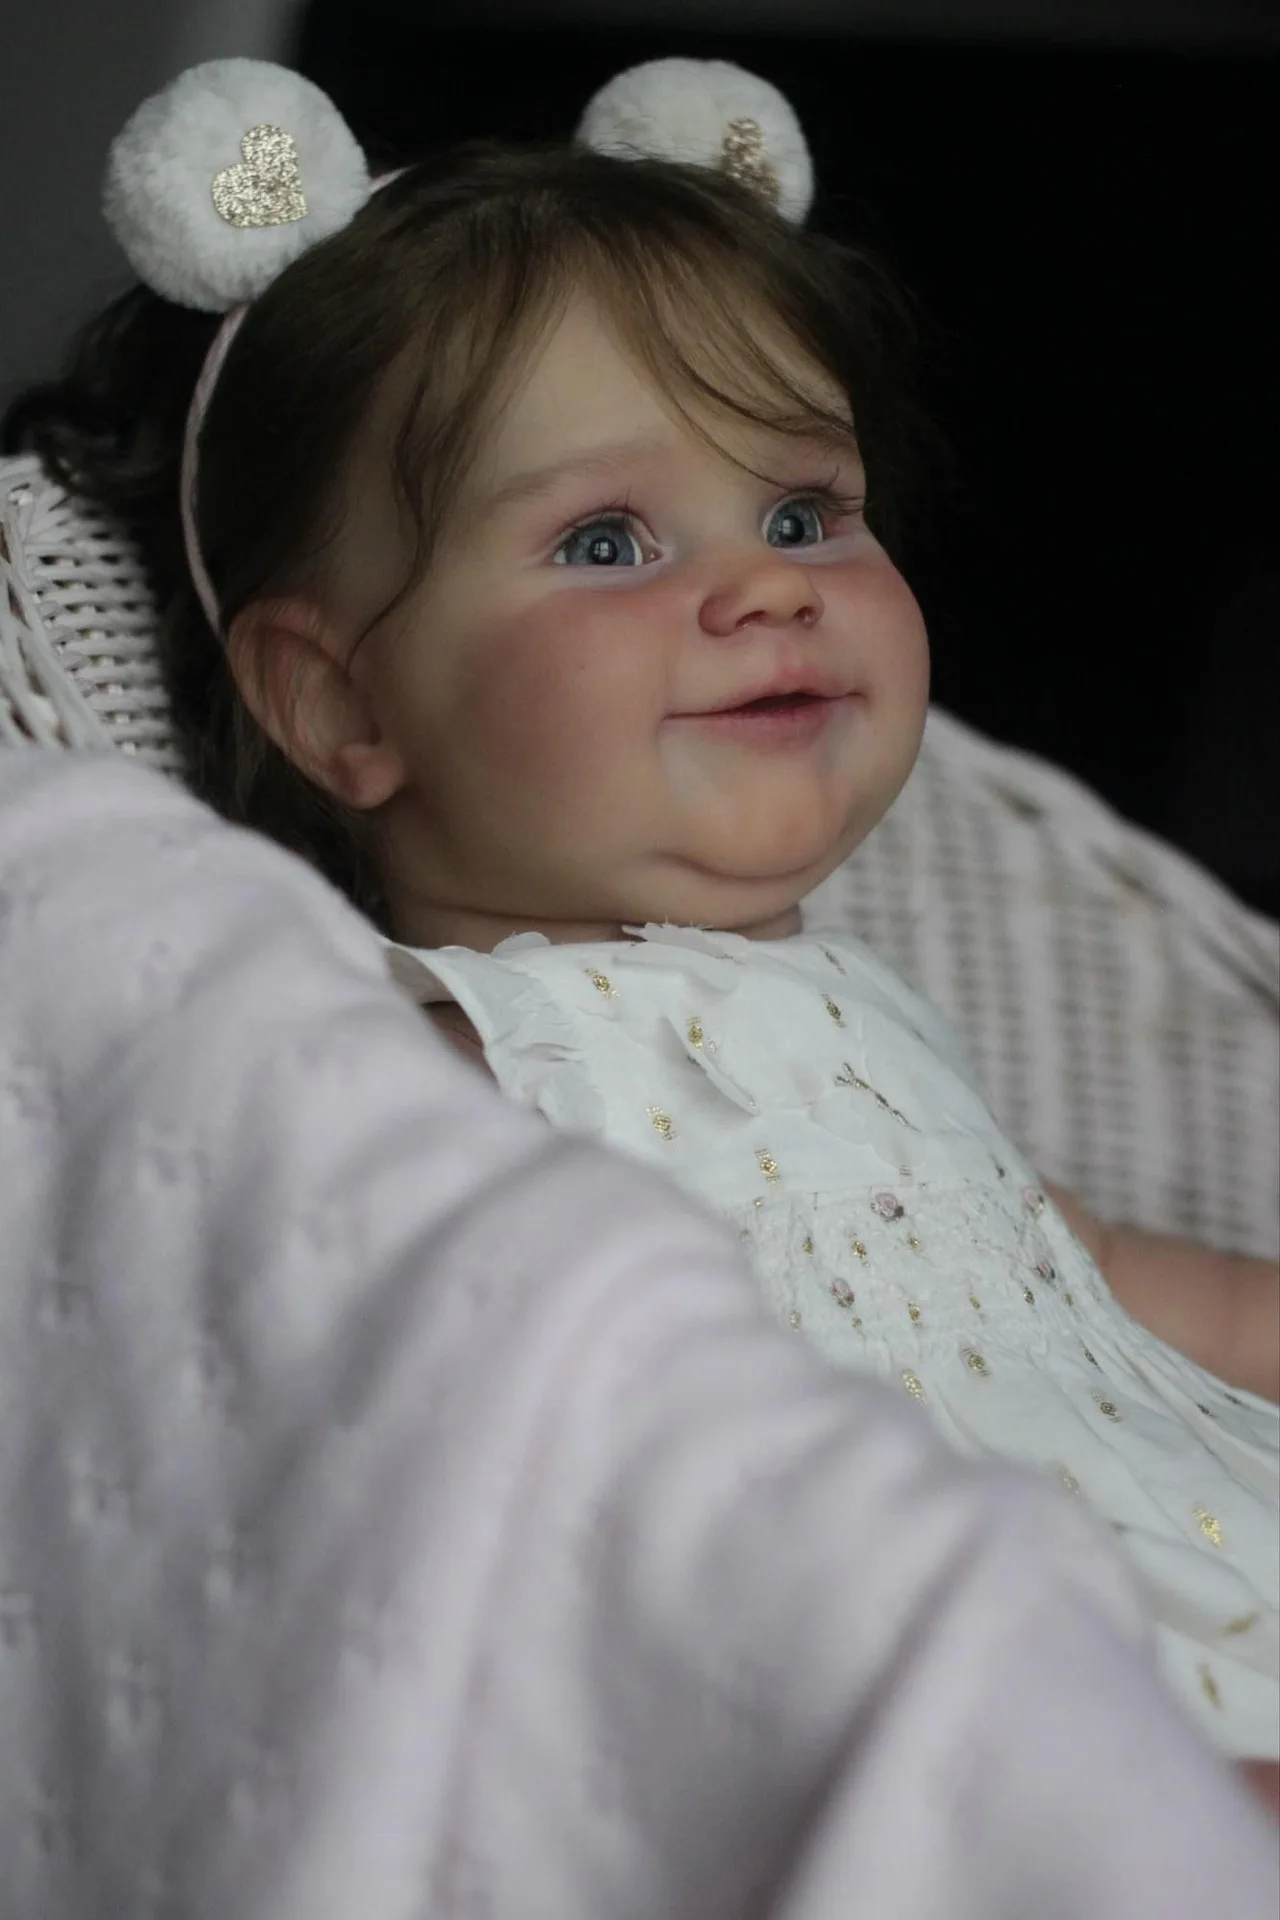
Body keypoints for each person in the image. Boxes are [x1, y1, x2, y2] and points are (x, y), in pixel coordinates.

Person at [6, 55, 1277, 1782]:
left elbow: (1089, 1282)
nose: (767, 585)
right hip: (931, 1687)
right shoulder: (444, 1069)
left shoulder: (867, 1007)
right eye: (607, 541)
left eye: (803, 513)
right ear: (343, 704)